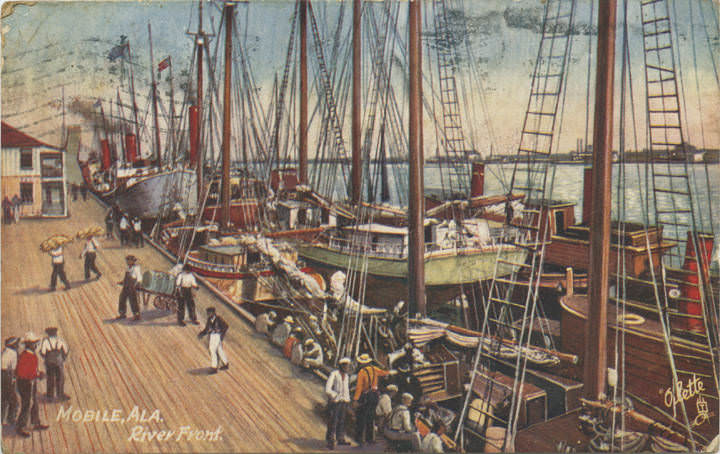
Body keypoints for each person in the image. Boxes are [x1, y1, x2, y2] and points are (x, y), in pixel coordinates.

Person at [354, 353, 394, 446]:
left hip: (365, 395)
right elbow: (385, 373)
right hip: (374, 395)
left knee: (361, 417)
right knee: (370, 417)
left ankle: (359, 438)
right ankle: (369, 439)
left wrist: (356, 400)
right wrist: (388, 370)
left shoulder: (362, 372)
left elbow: (359, 387)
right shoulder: (374, 369)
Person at [15, 333, 49, 437]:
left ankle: (35, 422)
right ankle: (20, 427)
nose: (36, 345)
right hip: (26, 383)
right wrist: (37, 375)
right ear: (29, 344)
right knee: (27, 404)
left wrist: (38, 373)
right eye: (35, 344)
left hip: (30, 382)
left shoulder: (29, 355)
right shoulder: (26, 356)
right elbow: (22, 373)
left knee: (34, 402)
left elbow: (31, 370)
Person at [325, 357, 352, 450]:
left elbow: (346, 389)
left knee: (342, 420)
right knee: (333, 420)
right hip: (336, 402)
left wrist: (347, 400)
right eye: (347, 366)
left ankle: (340, 438)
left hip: (344, 401)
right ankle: (330, 440)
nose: (348, 368)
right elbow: (328, 388)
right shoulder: (334, 374)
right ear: (342, 366)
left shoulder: (347, 376)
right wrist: (334, 395)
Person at [39, 327, 69, 401]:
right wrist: (63, 358)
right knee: (60, 377)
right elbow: (66, 350)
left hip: (49, 361)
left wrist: (46, 357)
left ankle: (50, 394)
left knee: (50, 377)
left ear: (48, 334)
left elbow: (42, 352)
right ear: (56, 333)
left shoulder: (45, 341)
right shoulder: (60, 340)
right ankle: (60, 394)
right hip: (59, 360)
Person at [197, 307, 229, 374]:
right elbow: (207, 329)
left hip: (217, 335)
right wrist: (202, 334)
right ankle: (226, 364)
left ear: (214, 313)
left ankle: (214, 367)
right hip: (212, 336)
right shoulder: (209, 319)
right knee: (219, 349)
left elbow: (226, 326)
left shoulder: (219, 319)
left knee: (212, 350)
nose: (208, 314)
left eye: (209, 313)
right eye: (208, 313)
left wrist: (221, 335)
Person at [1, 337, 20, 424]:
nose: (18, 346)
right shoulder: (13, 353)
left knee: (3, 399)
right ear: (13, 345)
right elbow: (13, 369)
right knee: (13, 400)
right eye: (17, 344)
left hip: (2, 375)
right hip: (7, 376)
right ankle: (11, 419)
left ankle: (2, 418)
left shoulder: (4, 351)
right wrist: (14, 379)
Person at [117, 255, 142, 321]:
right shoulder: (128, 267)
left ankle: (137, 315)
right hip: (126, 285)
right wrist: (122, 282)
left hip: (132, 286)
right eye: (127, 260)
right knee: (122, 298)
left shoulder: (136, 268)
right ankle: (122, 313)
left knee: (133, 300)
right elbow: (126, 277)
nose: (127, 262)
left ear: (132, 261)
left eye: (128, 260)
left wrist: (136, 285)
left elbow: (139, 278)